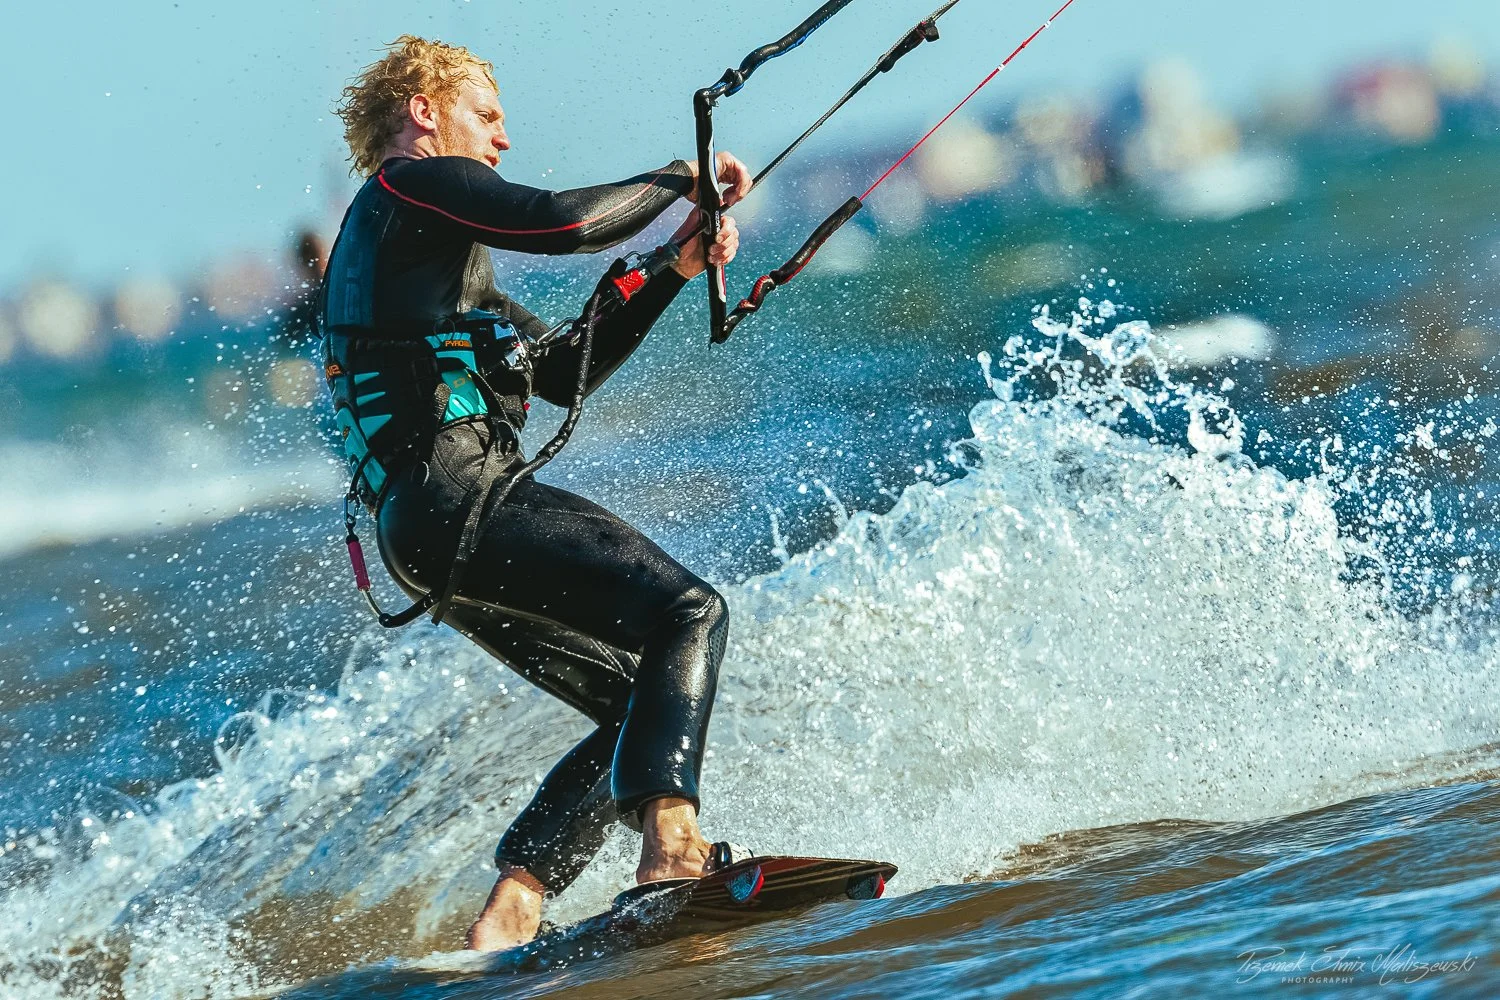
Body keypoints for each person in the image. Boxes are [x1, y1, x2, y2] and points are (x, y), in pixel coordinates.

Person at [319, 35, 753, 949]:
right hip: (456, 496)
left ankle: (512, 907)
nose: (504, 139)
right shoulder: (409, 183)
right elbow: (560, 223)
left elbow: (560, 370)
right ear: (426, 112)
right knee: (692, 614)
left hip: (422, 532)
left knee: (636, 698)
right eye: (489, 114)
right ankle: (673, 846)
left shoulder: (431, 262)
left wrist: (673, 267)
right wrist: (684, 176)